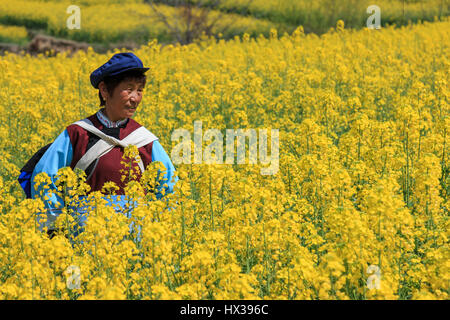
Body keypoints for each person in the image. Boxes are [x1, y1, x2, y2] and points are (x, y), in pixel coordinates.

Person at [21, 52, 178, 239]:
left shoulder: (146, 141)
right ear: (104, 90)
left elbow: (170, 191)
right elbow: (45, 180)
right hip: (84, 245)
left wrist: (165, 236)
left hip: (135, 250)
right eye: (129, 89)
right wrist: (55, 234)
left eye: (140, 90)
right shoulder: (77, 134)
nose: (135, 98)